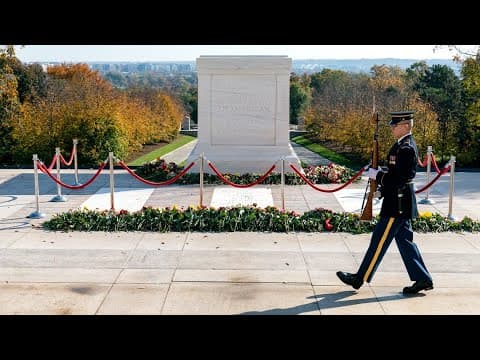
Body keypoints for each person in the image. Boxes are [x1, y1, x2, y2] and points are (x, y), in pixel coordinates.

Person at [336, 111, 433, 295]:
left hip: (397, 204)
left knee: (378, 241)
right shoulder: (401, 145)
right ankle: (423, 278)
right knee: (405, 242)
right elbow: (395, 174)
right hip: (398, 200)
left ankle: (359, 278)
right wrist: (382, 183)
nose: (392, 127)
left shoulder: (406, 148)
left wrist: (379, 176)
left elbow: (400, 178)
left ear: (405, 126)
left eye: (395, 125)